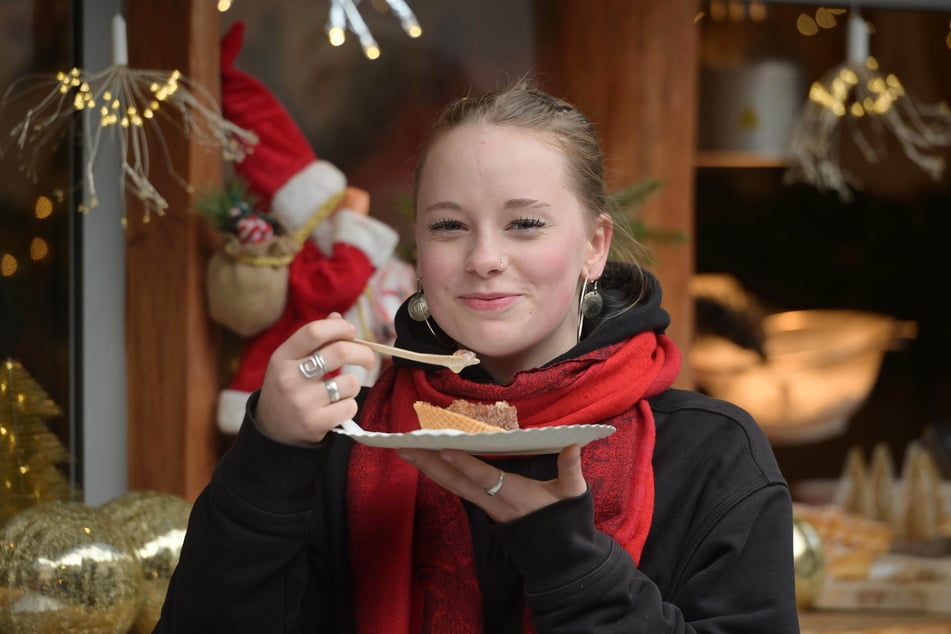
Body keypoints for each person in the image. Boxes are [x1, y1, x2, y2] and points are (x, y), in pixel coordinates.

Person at [156, 80, 800, 633]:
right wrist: (269, 449)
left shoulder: (713, 457)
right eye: (449, 226)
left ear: (594, 247)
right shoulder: (356, 439)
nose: (484, 258)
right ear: (418, 248)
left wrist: (569, 562)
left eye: (525, 224)